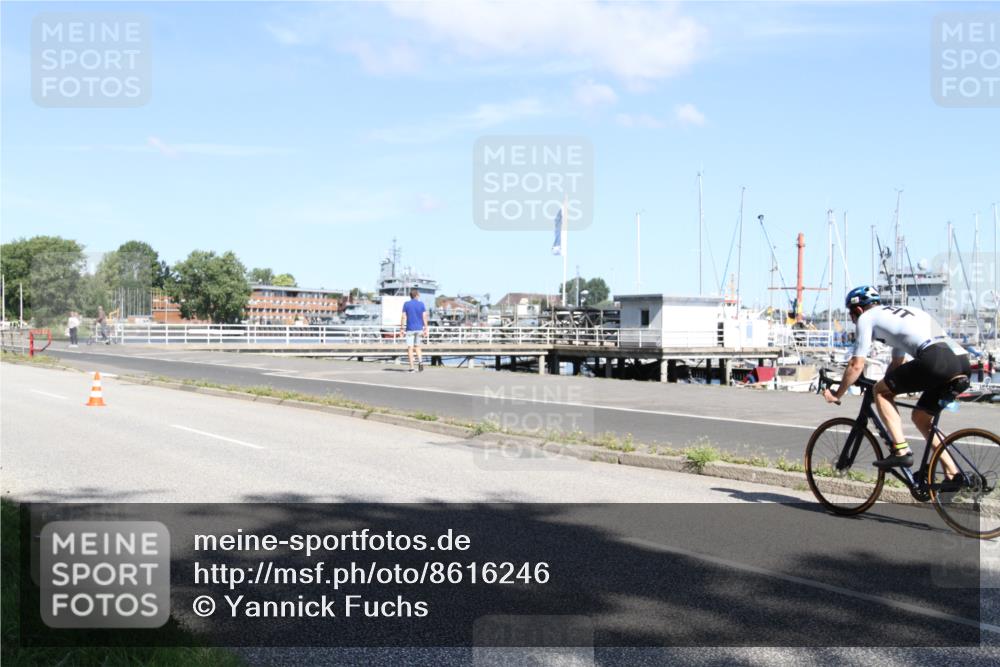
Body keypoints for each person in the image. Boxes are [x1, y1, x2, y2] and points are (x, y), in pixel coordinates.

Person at [823, 286, 970, 475]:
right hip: (961, 359)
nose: (853, 319)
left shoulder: (867, 317)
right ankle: (953, 474)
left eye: (852, 315)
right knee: (921, 418)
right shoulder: (908, 313)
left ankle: (901, 450)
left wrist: (837, 393)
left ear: (858, 310)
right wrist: (887, 382)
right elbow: (897, 363)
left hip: (935, 359)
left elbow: (856, 365)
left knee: (880, 392)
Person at [400, 289, 429, 372]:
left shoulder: (406, 304)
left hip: (410, 329)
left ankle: (412, 367)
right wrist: (426, 328)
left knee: (410, 348)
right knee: (417, 347)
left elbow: (403, 317)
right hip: (419, 328)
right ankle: (420, 362)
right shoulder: (421, 304)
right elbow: (424, 316)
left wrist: (401, 328)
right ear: (416, 295)